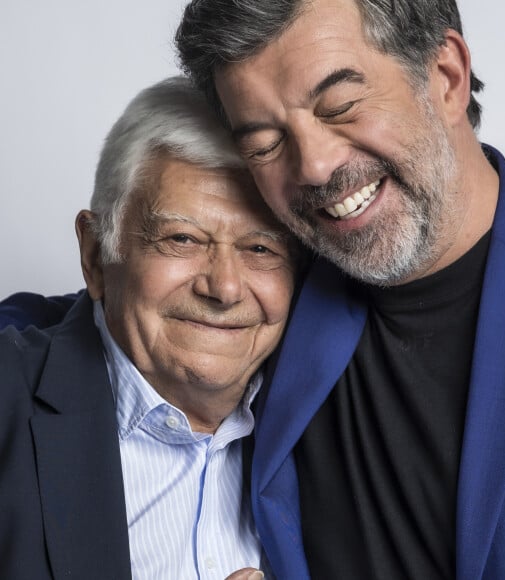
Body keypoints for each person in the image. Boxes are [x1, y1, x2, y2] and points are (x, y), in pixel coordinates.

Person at [179, 1, 505, 578]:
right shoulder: (265, 299)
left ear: (446, 78)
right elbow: (74, 337)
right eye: (265, 144)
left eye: (339, 107)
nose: (313, 167)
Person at [0, 76, 301, 580]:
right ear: (96, 255)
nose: (224, 288)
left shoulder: (331, 417)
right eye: (182, 239)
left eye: (261, 248)